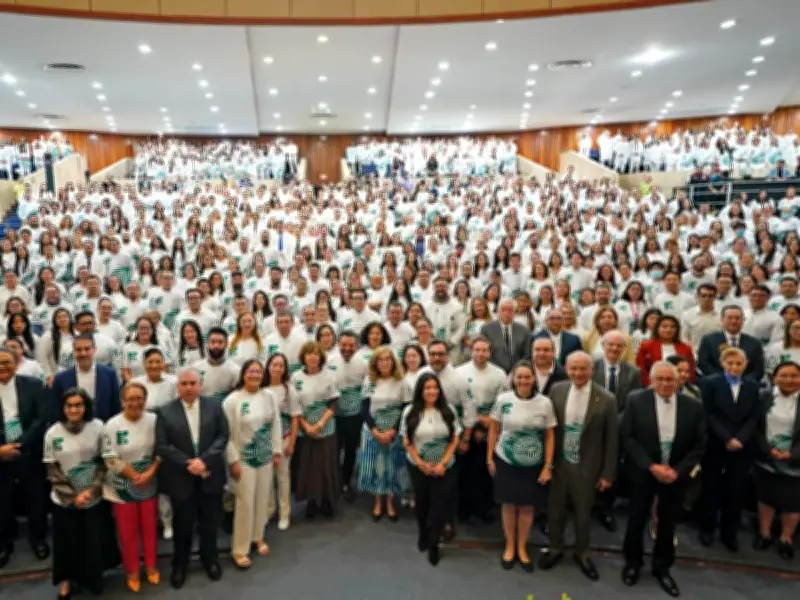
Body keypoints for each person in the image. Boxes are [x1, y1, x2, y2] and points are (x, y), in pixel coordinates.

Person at [621, 362, 707, 597]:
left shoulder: (694, 405)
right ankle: (632, 564)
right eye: (659, 379)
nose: (665, 384)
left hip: (675, 476)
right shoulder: (635, 400)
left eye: (670, 379)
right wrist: (651, 466)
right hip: (643, 472)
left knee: (668, 524)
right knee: (636, 519)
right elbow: (627, 437)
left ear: (679, 381)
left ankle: (662, 568)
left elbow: (700, 444)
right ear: (650, 380)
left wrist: (677, 471)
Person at [538, 351, 618, 581]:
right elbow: (549, 429)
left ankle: (582, 553)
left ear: (591, 370)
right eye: (573, 369)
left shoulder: (607, 399)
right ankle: (555, 548)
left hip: (587, 467)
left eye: (583, 368)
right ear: (567, 369)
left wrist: (607, 473)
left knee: (583, 514)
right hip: (558, 463)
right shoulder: (557, 390)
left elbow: (612, 440)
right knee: (555, 511)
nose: (578, 373)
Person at [156, 367, 229, 589]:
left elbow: (223, 436)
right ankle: (180, 564)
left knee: (209, 523)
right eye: (184, 384)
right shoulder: (164, 411)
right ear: (177, 386)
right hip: (181, 478)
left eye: (192, 383)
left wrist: (204, 461)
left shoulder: (215, 406)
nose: (188, 387)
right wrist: (190, 463)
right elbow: (162, 445)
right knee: (183, 525)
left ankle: (211, 560)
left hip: (209, 474)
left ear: (200, 385)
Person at [45, 387, 121, 599]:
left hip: (93, 496)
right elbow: (53, 470)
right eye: (69, 405)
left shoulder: (98, 427)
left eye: (78, 404)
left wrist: (92, 490)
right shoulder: (52, 433)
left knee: (92, 540)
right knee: (67, 543)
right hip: (64, 500)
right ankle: (67, 580)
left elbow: (103, 462)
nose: (74, 409)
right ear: (63, 408)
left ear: (85, 406)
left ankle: (93, 578)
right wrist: (72, 497)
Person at [487, 361, 556, 572]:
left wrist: (547, 466)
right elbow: (494, 429)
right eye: (519, 377)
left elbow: (549, 435)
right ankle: (509, 546)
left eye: (527, 376)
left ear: (534, 379)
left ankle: (522, 547)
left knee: (527, 506)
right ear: (513, 379)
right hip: (506, 461)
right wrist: (489, 457)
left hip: (533, 463)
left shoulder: (545, 403)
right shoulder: (503, 400)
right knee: (508, 504)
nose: (523, 380)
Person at [699, 347, 762, 551]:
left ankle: (729, 533)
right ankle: (707, 529)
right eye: (730, 363)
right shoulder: (710, 383)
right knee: (711, 489)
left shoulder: (753, 386)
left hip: (743, 446)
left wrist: (740, 439)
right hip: (717, 443)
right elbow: (709, 414)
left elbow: (754, 417)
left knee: (736, 491)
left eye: (739, 364)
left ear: (745, 365)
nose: (734, 367)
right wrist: (727, 437)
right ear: (723, 363)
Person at [223, 359, 282, 569]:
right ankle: (240, 549)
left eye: (258, 372)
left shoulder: (269, 396)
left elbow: (276, 423)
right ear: (243, 374)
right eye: (251, 371)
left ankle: (258, 536)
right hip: (244, 459)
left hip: (265, 456)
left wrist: (276, 450)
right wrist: (233, 460)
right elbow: (226, 434)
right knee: (245, 503)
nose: (255, 375)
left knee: (262, 498)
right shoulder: (232, 400)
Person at [102, 381, 161, 592]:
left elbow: (161, 450)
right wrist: (134, 475)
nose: (135, 403)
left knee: (149, 528)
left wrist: (151, 472)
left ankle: (152, 567)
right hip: (121, 486)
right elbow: (109, 456)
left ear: (145, 400)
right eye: (130, 399)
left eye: (139, 398)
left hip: (149, 483)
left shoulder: (155, 420)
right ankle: (133, 571)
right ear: (122, 401)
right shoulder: (112, 424)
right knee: (127, 532)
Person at [399, 372, 461, 566]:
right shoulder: (410, 411)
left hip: (445, 466)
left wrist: (443, 462)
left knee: (439, 504)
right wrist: (421, 464)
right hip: (419, 466)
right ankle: (423, 532)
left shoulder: (448, 410)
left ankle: (434, 543)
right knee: (422, 502)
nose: (432, 391)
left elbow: (455, 438)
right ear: (421, 391)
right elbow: (407, 441)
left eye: (435, 387)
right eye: (428, 388)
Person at [0, 345, 50, 569]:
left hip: (29, 452)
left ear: (16, 363)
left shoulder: (33, 385)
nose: (2, 367)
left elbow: (41, 418)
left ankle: (38, 538)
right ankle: (4, 544)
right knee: (2, 501)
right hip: (1, 457)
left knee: (36, 499)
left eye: (6, 362)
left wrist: (20, 444)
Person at [592, 330, 644, 532]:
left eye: (619, 346)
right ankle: (588, 504)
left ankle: (606, 508)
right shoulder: (591, 367)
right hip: (592, 425)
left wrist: (614, 421)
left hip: (619, 427)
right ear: (603, 346)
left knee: (611, 467)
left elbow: (633, 402)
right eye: (610, 345)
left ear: (624, 349)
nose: (614, 349)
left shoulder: (634, 373)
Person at [455, 337, 508, 522]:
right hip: (466, 427)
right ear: (471, 351)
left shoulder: (500, 374)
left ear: (490, 352)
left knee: (485, 471)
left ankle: (483, 509)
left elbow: (502, 402)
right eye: (477, 350)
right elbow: (458, 402)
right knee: (464, 469)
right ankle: (463, 508)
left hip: (490, 428)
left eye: (484, 350)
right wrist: (475, 423)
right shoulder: (459, 372)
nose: (480, 354)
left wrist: (489, 424)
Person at [754, 361, 800, 560]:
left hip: (795, 460)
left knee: (793, 501)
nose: (789, 380)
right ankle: (764, 534)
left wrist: (792, 454)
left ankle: (786, 538)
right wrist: (767, 449)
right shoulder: (764, 397)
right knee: (767, 496)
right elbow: (755, 426)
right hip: (767, 457)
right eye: (784, 375)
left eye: (794, 376)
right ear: (774, 377)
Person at [357, 347, 406, 521]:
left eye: (388, 359)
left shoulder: (401, 381)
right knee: (376, 468)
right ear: (375, 363)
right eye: (381, 360)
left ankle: (390, 503)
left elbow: (405, 408)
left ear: (393, 361)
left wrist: (394, 430)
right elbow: (364, 408)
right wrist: (375, 431)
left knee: (392, 467)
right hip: (373, 431)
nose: (384, 362)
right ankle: (378, 502)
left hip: (394, 431)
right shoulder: (370, 380)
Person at [293, 341, 340, 518]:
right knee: (309, 467)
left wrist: (320, 424)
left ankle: (327, 501)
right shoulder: (296, 377)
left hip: (326, 427)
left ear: (320, 357)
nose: (312, 357)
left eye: (315, 354)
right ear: (303, 357)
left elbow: (333, 402)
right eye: (308, 354)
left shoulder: (330, 375)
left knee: (326, 466)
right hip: (306, 429)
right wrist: (306, 426)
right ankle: (311, 501)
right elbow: (295, 405)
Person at [326, 330, 368, 502]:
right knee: (333, 451)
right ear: (338, 345)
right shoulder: (329, 361)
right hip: (334, 415)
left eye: (351, 345)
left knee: (351, 451)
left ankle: (346, 482)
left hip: (354, 416)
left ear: (356, 346)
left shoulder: (363, 364)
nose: (347, 348)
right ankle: (333, 483)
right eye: (344, 345)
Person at [263, 353, 300, 531]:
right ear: (268, 366)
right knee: (267, 477)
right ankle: (269, 509)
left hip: (284, 437)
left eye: (281, 365)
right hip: (265, 440)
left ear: (285, 369)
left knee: (283, 476)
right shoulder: (261, 388)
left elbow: (295, 417)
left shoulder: (289, 389)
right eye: (274, 364)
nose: (277, 368)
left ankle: (285, 513)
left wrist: (292, 442)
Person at [51, 333, 121, 422]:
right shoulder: (61, 378)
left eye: (87, 349)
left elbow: (115, 406)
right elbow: (56, 409)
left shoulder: (110, 374)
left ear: (94, 349)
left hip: (103, 428)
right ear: (73, 351)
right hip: (72, 430)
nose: (83, 353)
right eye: (78, 350)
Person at [697, 306, 764, 380]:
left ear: (743, 320)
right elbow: (704, 364)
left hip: (745, 386)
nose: (734, 321)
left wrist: (742, 382)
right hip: (716, 385)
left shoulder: (754, 343)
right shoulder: (709, 340)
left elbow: (758, 370)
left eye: (737, 318)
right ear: (722, 319)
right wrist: (723, 380)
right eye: (730, 318)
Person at [636, 315, 695, 387]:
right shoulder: (646, 346)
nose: (669, 329)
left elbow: (691, 369)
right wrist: (651, 384)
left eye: (672, 327)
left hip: (681, 387)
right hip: (652, 386)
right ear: (657, 328)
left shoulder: (686, 348)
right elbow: (640, 368)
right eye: (664, 326)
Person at [480, 299, 531, 373]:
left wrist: (516, 369)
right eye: (503, 310)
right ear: (498, 311)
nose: (507, 313)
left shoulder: (524, 330)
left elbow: (527, 354)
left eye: (510, 310)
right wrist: (498, 370)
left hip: (517, 372)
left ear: (514, 312)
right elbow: (485, 352)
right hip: (493, 371)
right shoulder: (486, 329)